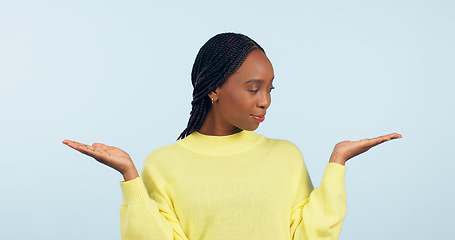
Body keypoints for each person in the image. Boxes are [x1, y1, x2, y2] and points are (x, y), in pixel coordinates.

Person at [63, 32, 402, 240]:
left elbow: (309, 236)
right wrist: (130, 176)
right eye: (253, 88)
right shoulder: (164, 163)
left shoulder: (286, 156)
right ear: (213, 89)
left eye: (270, 89)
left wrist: (337, 163)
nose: (265, 100)